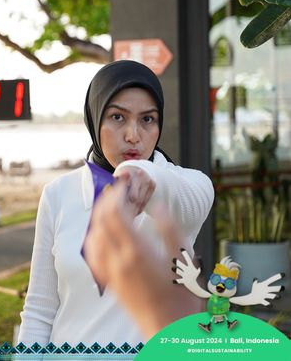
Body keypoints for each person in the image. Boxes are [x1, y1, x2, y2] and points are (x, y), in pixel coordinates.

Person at [17, 59, 214, 347]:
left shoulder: (189, 185)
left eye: (147, 119)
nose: (133, 135)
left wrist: (136, 174)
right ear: (95, 117)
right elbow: (39, 311)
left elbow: (184, 199)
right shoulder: (58, 193)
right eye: (118, 117)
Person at [82, 176, 204, 340]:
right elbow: (45, 309)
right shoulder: (57, 192)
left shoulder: (192, 182)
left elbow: (179, 195)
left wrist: (129, 173)